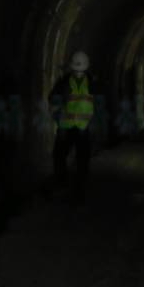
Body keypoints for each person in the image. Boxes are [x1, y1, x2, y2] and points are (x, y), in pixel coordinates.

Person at [48, 50, 96, 201]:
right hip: (67, 127)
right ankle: (65, 184)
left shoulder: (91, 83)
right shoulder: (65, 83)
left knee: (81, 160)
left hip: (81, 127)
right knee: (60, 156)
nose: (78, 73)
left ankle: (78, 190)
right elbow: (54, 100)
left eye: (79, 69)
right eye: (76, 70)